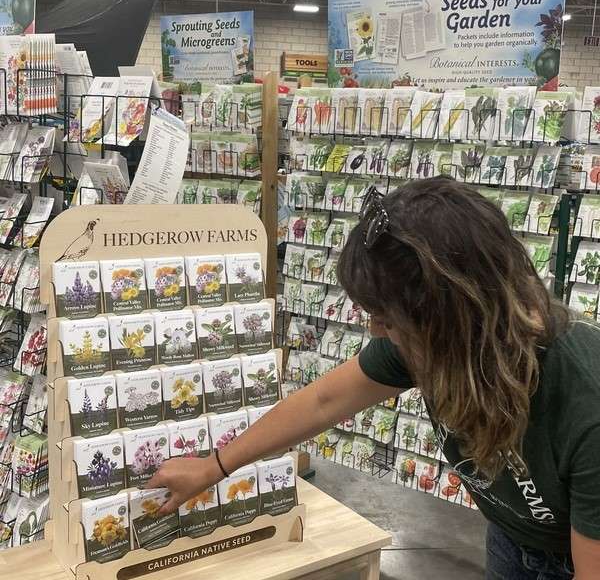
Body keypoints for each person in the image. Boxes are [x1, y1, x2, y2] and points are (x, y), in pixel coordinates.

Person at [148, 178, 600, 579]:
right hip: (512, 537)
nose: (376, 332)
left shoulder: (584, 399)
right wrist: (214, 467)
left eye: (385, 319)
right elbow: (323, 402)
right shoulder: (438, 344)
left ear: (451, 318)